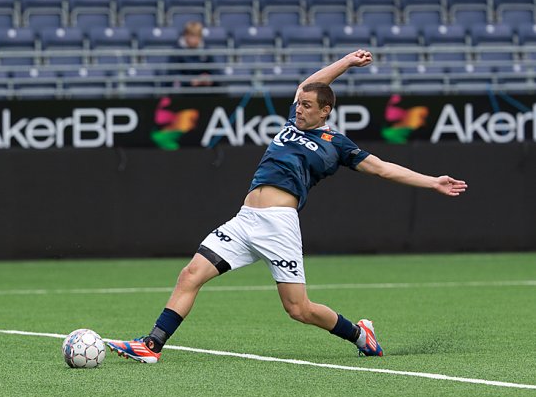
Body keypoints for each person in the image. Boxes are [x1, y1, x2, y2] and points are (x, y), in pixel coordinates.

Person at [104, 50, 469, 364]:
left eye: (308, 106)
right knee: (190, 274)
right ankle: (152, 345)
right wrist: (346, 62)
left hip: (280, 225)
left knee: (299, 310)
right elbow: (309, 84)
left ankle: (361, 336)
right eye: (298, 103)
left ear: (325, 111)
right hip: (245, 220)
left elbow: (383, 169)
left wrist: (432, 181)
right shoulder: (292, 120)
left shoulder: (336, 144)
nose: (299, 108)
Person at [168, 21, 214, 87]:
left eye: (196, 36)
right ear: (185, 35)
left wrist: (208, 78)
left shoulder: (206, 50)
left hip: (203, 89)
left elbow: (215, 72)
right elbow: (172, 75)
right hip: (183, 91)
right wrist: (189, 81)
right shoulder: (177, 50)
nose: (193, 39)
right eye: (191, 36)